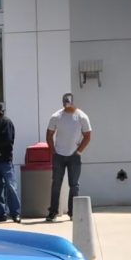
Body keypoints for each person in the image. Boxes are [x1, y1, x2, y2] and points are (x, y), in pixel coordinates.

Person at [45, 92, 92, 221]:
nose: (66, 104)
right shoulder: (56, 116)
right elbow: (49, 135)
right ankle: (53, 212)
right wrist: (53, 151)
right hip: (58, 155)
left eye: (69, 102)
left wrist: (79, 151)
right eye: (65, 102)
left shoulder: (82, 117)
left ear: (73, 102)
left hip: (74, 156)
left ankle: (73, 213)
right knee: (56, 184)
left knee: (74, 185)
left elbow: (88, 136)